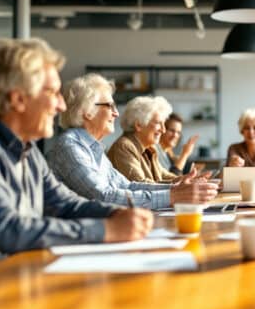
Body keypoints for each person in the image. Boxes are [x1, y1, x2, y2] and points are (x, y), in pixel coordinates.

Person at [0, 38, 154, 289]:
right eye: (53, 93)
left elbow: (65, 204)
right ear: (18, 99)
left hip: (3, 285)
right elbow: (7, 230)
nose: (61, 105)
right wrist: (107, 230)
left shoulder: (28, 151)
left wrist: (115, 214)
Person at [46, 74, 217, 209]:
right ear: (88, 112)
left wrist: (176, 189)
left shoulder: (92, 148)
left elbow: (127, 186)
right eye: (110, 106)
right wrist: (173, 195)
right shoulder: (69, 146)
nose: (116, 113)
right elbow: (102, 196)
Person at [108, 96, 179, 183]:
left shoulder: (149, 149)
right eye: (158, 123)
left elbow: (164, 175)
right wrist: (181, 185)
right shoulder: (124, 146)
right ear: (139, 125)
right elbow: (140, 184)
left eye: (163, 124)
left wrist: (188, 180)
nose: (163, 130)